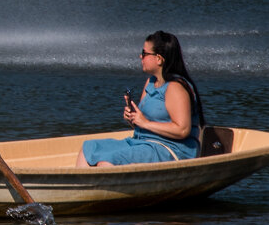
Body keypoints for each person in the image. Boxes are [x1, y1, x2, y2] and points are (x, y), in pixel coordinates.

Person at [76, 30, 204, 167]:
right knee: (89, 148)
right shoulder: (150, 83)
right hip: (143, 142)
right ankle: (82, 188)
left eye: (144, 53)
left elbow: (182, 130)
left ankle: (107, 186)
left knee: (108, 160)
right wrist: (133, 118)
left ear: (159, 59)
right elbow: (143, 123)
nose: (140, 56)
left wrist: (145, 123)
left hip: (170, 149)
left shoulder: (175, 88)